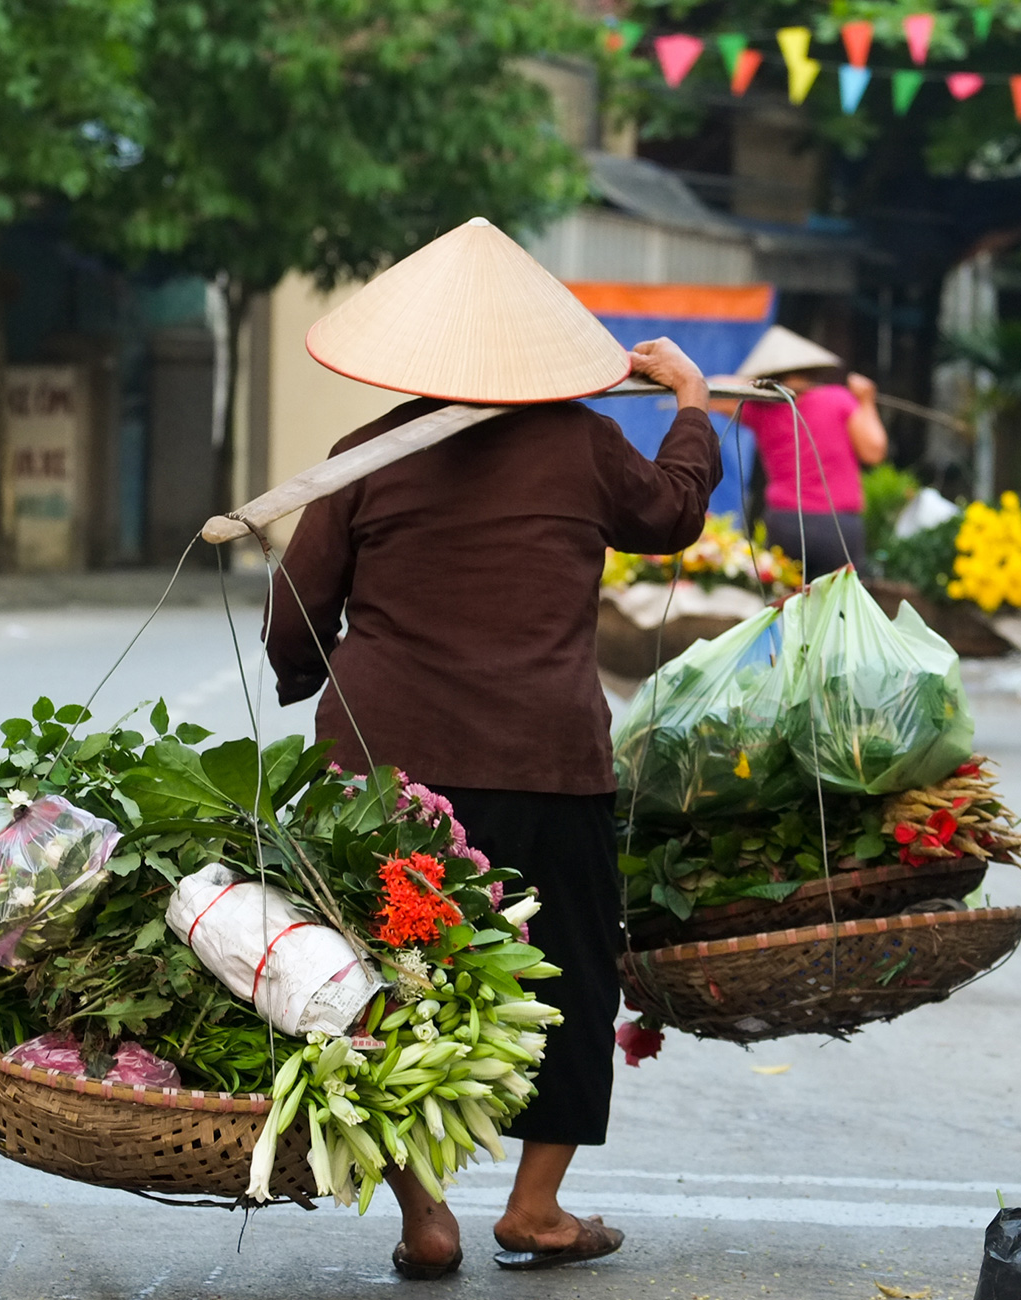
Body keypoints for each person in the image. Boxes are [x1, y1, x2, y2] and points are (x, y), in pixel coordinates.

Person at [263, 218, 721, 1279]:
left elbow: (296, 615)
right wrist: (692, 403)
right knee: (562, 973)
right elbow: (672, 511)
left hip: (383, 775)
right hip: (542, 763)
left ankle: (425, 1213)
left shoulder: (363, 458)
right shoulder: (582, 445)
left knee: (385, 980)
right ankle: (535, 1205)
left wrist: (312, 682)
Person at [726, 326, 887, 578]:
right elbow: (874, 451)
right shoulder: (838, 399)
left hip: (785, 523)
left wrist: (756, 388)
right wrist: (866, 400)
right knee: (842, 605)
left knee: (787, 602)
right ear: (812, 370)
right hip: (836, 525)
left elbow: (711, 389)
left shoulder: (760, 408)